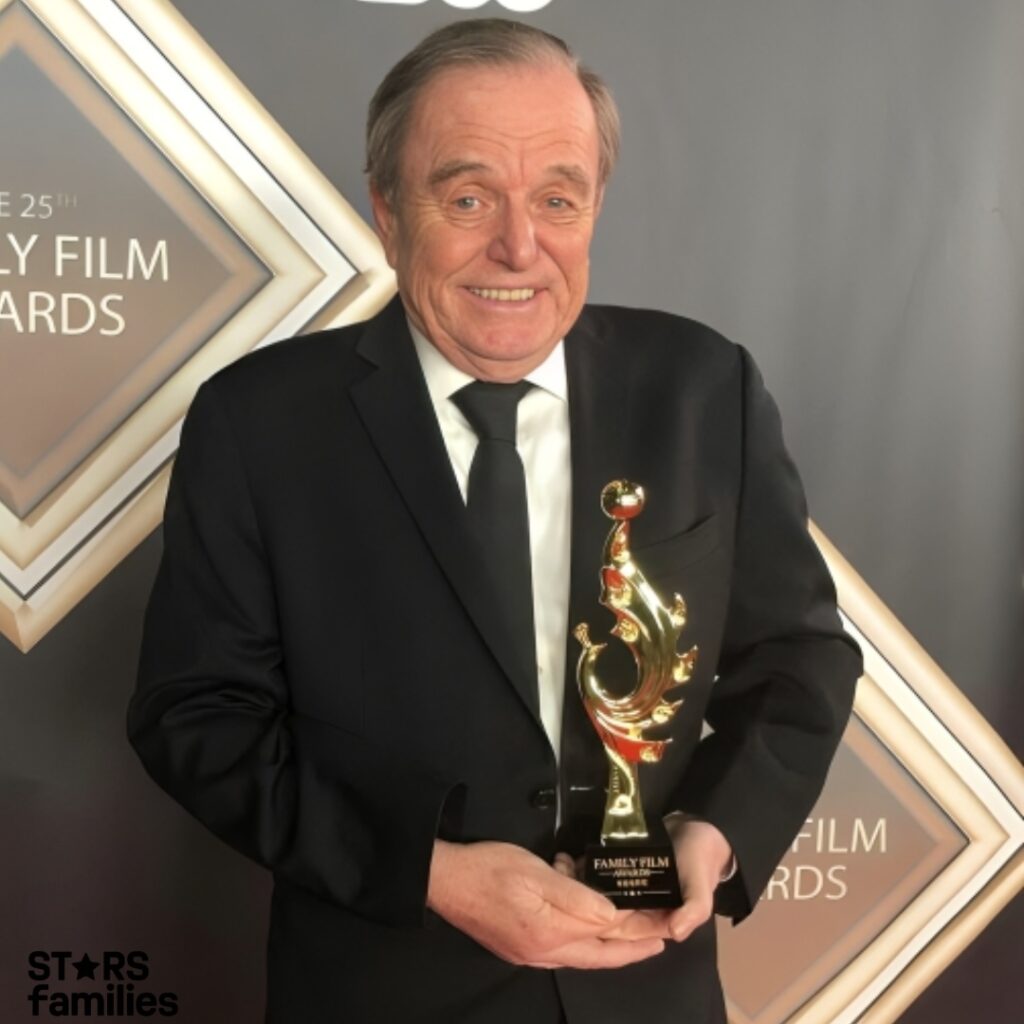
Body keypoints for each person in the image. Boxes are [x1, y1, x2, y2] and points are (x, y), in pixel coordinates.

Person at [128, 18, 861, 1024]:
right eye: (468, 197)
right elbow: (196, 718)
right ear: (388, 212)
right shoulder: (258, 423)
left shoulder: (703, 388)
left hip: (646, 992)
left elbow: (799, 656)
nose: (518, 245)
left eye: (556, 198)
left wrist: (715, 831)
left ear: (595, 204)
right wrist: (429, 871)